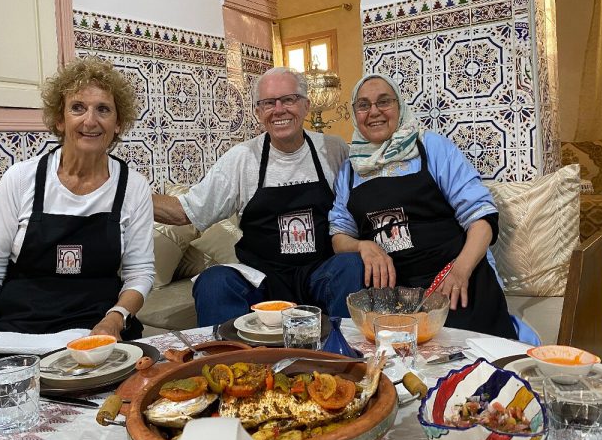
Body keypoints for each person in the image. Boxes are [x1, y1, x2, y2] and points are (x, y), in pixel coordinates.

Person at [0, 58, 155, 408]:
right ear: (59, 119)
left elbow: (140, 273)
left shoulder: (133, 187)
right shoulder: (21, 179)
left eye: (103, 109)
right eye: (78, 107)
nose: (90, 120)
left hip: (95, 333)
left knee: (137, 399)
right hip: (17, 331)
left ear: (118, 122)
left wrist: (115, 319)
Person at [152, 67, 363, 326]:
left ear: (306, 105)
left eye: (288, 99)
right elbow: (186, 211)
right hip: (261, 278)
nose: (279, 110)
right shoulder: (241, 158)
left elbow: (363, 199)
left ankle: (344, 347)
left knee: (352, 265)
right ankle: (229, 352)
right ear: (258, 112)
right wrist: (126, 192)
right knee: (214, 283)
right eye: (268, 103)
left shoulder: (333, 149)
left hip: (320, 273)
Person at [329, 73, 518, 339]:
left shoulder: (431, 148)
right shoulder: (349, 171)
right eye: (363, 105)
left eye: (384, 101)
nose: (374, 112)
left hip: (452, 283)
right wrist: (361, 246)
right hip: (393, 299)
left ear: (399, 106)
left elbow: (481, 218)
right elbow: (339, 236)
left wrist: (461, 271)